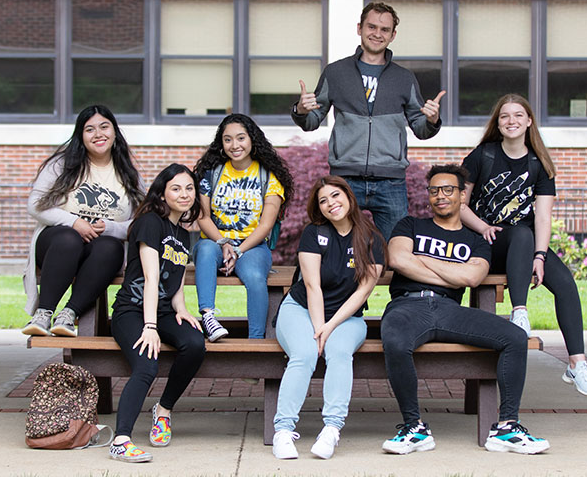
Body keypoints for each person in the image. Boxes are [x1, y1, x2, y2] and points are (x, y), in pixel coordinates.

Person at [381, 164, 549, 455]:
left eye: (448, 189)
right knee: (395, 340)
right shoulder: (410, 225)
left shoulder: (476, 241)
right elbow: (397, 259)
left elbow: (472, 278)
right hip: (406, 305)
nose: (440, 196)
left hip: (448, 310)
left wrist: (420, 260)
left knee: (515, 337)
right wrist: (452, 271)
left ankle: (507, 427)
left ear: (461, 195)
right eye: (434, 190)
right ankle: (414, 428)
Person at [459, 93, 587, 396]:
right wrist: (484, 226)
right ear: (498, 123)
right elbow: (460, 205)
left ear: (529, 122)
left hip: (524, 246)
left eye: (518, 115)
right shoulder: (483, 155)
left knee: (564, 281)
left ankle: (577, 364)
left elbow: (543, 219)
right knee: (520, 233)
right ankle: (519, 312)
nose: (512, 121)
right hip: (486, 242)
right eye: (505, 116)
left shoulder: (539, 164)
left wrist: (540, 257)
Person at [291, 1, 445, 241]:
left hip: (390, 182)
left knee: (396, 252)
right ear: (359, 28)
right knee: (336, 250)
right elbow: (312, 121)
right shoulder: (336, 72)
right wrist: (300, 110)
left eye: (384, 30)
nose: (377, 34)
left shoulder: (404, 78)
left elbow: (420, 128)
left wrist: (432, 120)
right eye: (371, 27)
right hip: (345, 179)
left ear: (393, 35)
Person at [272, 176, 386, 460]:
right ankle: (283, 431)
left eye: (335, 196)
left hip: (347, 318)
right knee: (304, 353)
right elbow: (312, 286)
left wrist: (330, 327)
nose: (330, 204)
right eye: (323, 200)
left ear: (349, 197)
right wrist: (318, 327)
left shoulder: (372, 238)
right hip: (300, 308)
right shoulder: (314, 233)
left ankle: (331, 429)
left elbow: (362, 293)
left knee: (339, 352)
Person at [108, 163, 206, 463]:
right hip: (132, 311)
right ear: (162, 193)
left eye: (189, 188)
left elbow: (173, 278)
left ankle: (163, 410)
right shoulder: (150, 223)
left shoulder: (183, 232)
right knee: (147, 366)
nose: (184, 194)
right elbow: (151, 277)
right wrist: (149, 326)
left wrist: (183, 309)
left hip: (162, 310)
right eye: (176, 188)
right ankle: (121, 440)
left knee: (195, 344)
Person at [21, 105, 144, 337]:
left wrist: (112, 228)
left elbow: (142, 220)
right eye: (90, 129)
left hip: (100, 251)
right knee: (69, 239)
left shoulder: (128, 173)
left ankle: (68, 315)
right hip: (57, 245)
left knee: (110, 247)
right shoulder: (61, 165)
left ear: (115, 132)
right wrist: (75, 222)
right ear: (81, 136)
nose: (98, 134)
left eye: (104, 127)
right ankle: (44, 314)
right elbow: (35, 204)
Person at [192, 114, 295, 340]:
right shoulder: (211, 173)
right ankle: (208, 317)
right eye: (227, 139)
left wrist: (239, 249)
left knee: (255, 277)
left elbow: (266, 224)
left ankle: (255, 341)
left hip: (253, 246)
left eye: (241, 138)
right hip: (214, 241)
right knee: (207, 250)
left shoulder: (268, 176)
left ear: (252, 139)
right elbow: (203, 216)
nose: (234, 145)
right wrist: (224, 242)